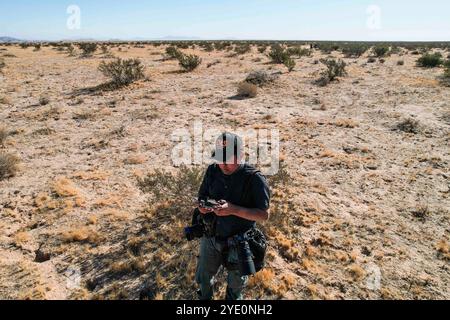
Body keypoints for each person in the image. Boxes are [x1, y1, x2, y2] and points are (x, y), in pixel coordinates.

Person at [195, 132, 271, 300]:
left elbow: (264, 214)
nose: (223, 164)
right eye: (220, 158)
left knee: (235, 289)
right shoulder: (213, 170)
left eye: (228, 158)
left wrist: (233, 209)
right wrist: (203, 208)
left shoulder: (254, 178)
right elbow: (202, 197)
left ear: (241, 154)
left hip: (239, 243)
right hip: (211, 237)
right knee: (203, 280)